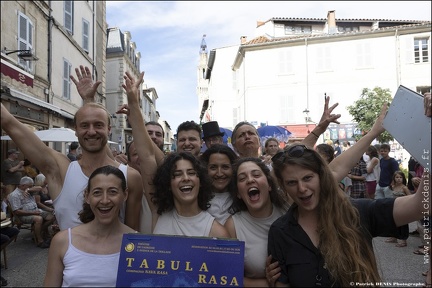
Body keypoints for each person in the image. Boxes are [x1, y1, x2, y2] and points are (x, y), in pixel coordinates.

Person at [1, 65, 143, 232]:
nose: (91, 131)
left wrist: (90, 102)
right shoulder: (61, 171)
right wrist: (89, 103)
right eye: (84, 125)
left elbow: (132, 236)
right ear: (75, 130)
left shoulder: (131, 177)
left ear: (109, 130)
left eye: (98, 125)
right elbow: (10, 123)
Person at [268, 141, 428, 287]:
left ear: (322, 176)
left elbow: (421, 204)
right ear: (283, 186)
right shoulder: (280, 231)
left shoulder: (358, 213)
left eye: (308, 178)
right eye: (291, 182)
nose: (302, 188)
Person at [122, 71, 229, 238]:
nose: (185, 178)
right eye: (177, 174)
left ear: (201, 182)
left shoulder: (218, 231)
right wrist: (134, 105)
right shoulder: (159, 212)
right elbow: (147, 155)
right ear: (168, 184)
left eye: (191, 173)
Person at [43, 165, 136, 287]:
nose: (105, 200)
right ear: (87, 196)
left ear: (125, 195)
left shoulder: (139, 244)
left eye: (112, 192)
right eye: (97, 193)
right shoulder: (63, 241)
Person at [224, 157, 287, 287]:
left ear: (269, 185)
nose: (250, 180)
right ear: (238, 194)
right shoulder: (233, 226)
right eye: (242, 178)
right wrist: (270, 283)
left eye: (256, 175)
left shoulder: (288, 210)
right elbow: (229, 277)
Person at [7, 176, 55, 248]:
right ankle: (40, 240)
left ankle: (38, 232)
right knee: (38, 219)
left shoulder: (29, 190)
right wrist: (33, 213)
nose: (32, 187)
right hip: (24, 215)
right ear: (23, 185)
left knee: (52, 216)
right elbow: (17, 211)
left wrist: (28, 189)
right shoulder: (14, 195)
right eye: (30, 186)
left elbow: (39, 188)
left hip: (36, 211)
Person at [200, 144, 238, 225]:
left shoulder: (242, 198)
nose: (219, 173)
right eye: (213, 167)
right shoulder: (196, 200)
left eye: (225, 167)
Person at [384, 171, 411, 247]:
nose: (399, 179)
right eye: (397, 177)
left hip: (403, 207)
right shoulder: (393, 187)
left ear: (403, 178)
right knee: (393, 222)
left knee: (403, 224)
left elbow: (410, 197)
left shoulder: (404, 188)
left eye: (400, 177)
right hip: (394, 207)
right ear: (394, 178)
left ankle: (403, 240)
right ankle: (394, 237)